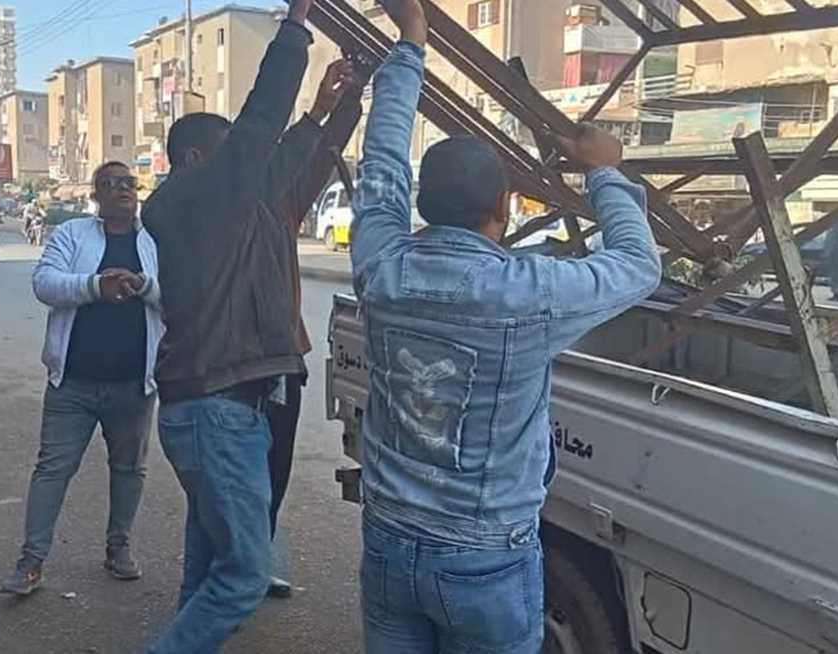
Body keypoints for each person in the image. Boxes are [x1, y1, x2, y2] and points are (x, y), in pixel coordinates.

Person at [349, 2, 661, 652]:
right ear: (504, 206)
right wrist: (604, 169)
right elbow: (637, 265)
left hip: (389, 540)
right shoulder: (528, 293)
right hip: (484, 554)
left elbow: (380, 163)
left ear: (423, 204)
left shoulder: (381, 265)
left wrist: (410, 42)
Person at [141, 1, 322, 649]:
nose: (246, 167)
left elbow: (279, 159)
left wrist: (328, 111)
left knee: (209, 565)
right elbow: (258, 126)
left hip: (218, 406)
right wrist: (294, 28)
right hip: (216, 410)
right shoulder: (197, 197)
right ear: (196, 159)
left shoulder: (217, 212)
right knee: (245, 573)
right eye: (229, 158)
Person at [0, 161, 162, 596]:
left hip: (134, 384)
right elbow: (45, 283)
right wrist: (96, 286)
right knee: (52, 469)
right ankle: (31, 562)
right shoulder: (72, 234)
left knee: (129, 470)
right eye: (111, 184)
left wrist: (144, 285)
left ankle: (118, 547)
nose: (122, 189)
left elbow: (180, 298)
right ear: (95, 196)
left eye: (129, 183)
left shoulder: (154, 241)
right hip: (71, 383)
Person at [263, 57, 365, 599]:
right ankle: (227, 565)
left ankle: (258, 550)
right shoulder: (207, 217)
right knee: (230, 477)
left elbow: (322, 154)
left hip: (282, 363)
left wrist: (346, 103)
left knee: (274, 465)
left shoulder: (281, 208)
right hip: (227, 369)